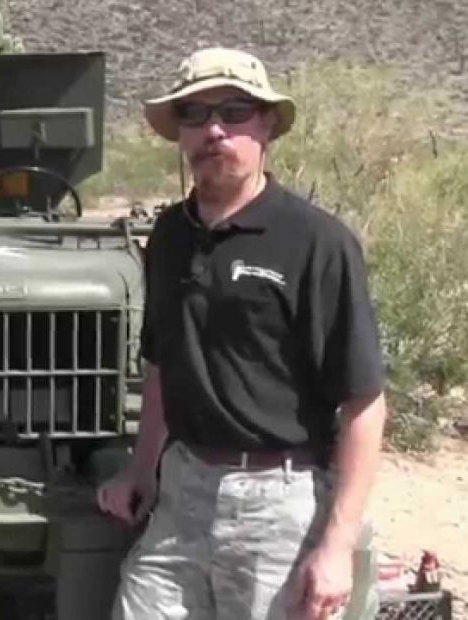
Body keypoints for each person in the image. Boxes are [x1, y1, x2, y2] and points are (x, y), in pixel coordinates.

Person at [97, 47, 388, 620]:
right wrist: (142, 470)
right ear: (178, 133)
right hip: (183, 492)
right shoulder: (169, 238)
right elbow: (162, 364)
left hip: (277, 504)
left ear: (267, 126)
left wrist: (335, 545)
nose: (214, 130)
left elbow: (364, 402)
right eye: (195, 115)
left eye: (234, 112)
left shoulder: (315, 243)